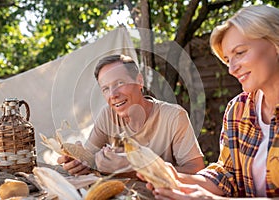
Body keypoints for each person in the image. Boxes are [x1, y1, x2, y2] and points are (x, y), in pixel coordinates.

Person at [139, 4, 279, 199]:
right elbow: (226, 175)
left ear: (275, 43)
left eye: (240, 53)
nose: (232, 69)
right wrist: (176, 178)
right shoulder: (238, 109)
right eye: (228, 60)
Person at [57, 54, 205, 177]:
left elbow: (196, 171)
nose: (113, 95)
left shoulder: (174, 117)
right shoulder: (107, 116)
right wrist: (79, 163)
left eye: (120, 83)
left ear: (139, 81)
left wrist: (136, 169)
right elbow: (90, 158)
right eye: (106, 89)